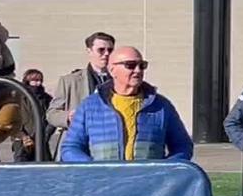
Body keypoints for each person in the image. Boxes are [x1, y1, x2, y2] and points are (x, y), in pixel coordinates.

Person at [60, 46, 193, 161]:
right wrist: (94, 169)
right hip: (104, 186)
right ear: (112, 70)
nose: (138, 70)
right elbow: (70, 148)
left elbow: (183, 146)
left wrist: (166, 168)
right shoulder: (89, 106)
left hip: (149, 186)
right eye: (130, 65)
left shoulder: (161, 106)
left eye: (142, 65)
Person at [47, 32, 115, 158]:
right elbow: (51, 114)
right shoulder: (69, 81)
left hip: (109, 146)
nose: (106, 54)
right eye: (101, 50)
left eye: (110, 50)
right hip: (77, 144)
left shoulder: (120, 79)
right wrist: (68, 117)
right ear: (89, 51)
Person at [13, 69, 55, 161]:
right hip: (22, 143)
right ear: (27, 81)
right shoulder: (17, 97)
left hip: (41, 142)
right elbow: (12, 120)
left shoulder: (47, 99)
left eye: (40, 80)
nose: (38, 83)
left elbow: (52, 118)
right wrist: (23, 136)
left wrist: (44, 136)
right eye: (35, 81)